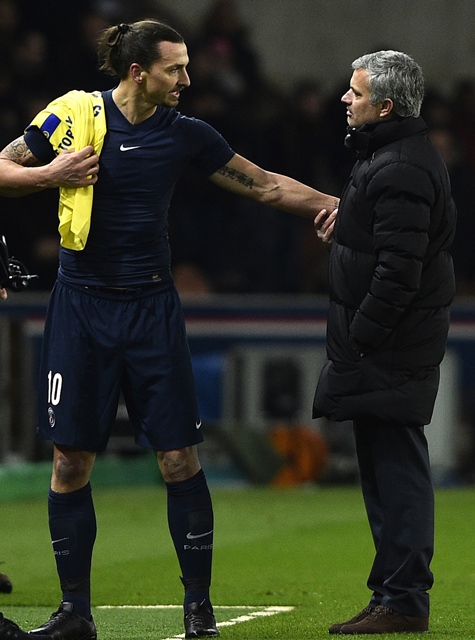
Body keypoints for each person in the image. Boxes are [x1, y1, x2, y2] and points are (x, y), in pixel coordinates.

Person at [0, 19, 338, 640]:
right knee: (70, 462)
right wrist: (49, 177)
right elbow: (1, 168)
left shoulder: (187, 136)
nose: (187, 78)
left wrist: (328, 203)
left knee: (179, 457)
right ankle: (75, 613)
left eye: (186, 66)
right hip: (80, 308)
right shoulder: (71, 116)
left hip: (152, 309)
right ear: (138, 72)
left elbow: (262, 184)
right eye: (174, 68)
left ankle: (198, 614)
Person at [313, 50, 456, 634]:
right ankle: (392, 594)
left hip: (389, 346)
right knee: (385, 469)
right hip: (390, 345)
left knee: (396, 470)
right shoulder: (394, 158)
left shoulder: (398, 164)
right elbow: (389, 244)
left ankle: (402, 601)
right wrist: (348, 223)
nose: (346, 99)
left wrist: (361, 340)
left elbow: (400, 269)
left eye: (356, 92)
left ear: (386, 105)